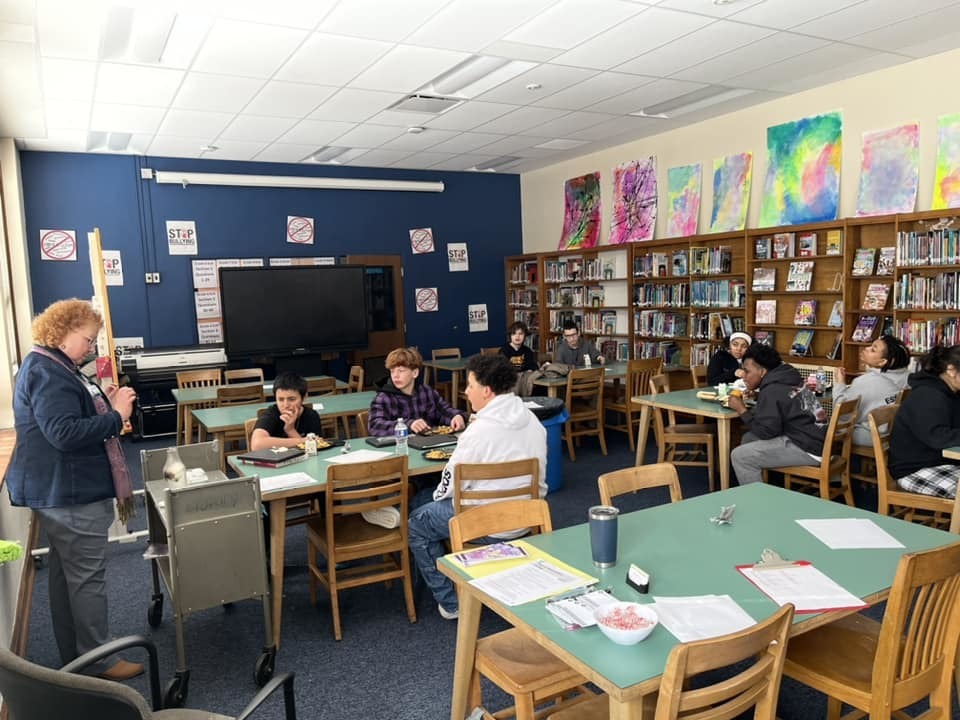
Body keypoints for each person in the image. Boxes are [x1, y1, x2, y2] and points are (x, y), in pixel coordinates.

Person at [5, 299, 142, 680]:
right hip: (69, 492)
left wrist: (103, 401)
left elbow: (68, 416)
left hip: (59, 491)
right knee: (86, 579)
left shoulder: (52, 364)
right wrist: (116, 416)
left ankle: (76, 657)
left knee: (68, 578)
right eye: (89, 340)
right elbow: (64, 433)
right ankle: (99, 660)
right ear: (62, 334)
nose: (92, 348)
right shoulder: (48, 372)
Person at [407, 354, 547, 620]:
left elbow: (450, 486)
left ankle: (451, 603)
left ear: (486, 390)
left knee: (416, 522)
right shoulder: (533, 422)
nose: (465, 391)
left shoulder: (478, 431)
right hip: (526, 517)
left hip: (484, 522)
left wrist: (436, 498)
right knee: (424, 501)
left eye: (469, 385)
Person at [728, 344, 827, 485]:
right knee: (749, 438)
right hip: (815, 439)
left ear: (762, 372)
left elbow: (765, 432)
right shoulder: (788, 377)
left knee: (739, 456)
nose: (744, 376)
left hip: (807, 448)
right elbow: (784, 402)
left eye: (747, 371)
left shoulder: (772, 390)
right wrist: (759, 396)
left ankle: (756, 502)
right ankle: (769, 485)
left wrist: (742, 410)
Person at [888, 345, 960, 497]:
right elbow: (938, 437)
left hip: (940, 461)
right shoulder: (928, 395)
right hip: (915, 468)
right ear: (952, 370)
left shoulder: (951, 391)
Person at [367, 347, 466, 436]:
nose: (395, 375)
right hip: (400, 448)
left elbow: (443, 411)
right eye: (392, 371)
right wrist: (408, 425)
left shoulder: (427, 392)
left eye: (401, 371)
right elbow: (374, 425)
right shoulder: (384, 398)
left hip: (428, 445)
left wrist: (456, 416)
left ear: (415, 373)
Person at [833, 335, 911, 446]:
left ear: (882, 362)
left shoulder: (867, 381)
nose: (866, 348)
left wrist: (840, 383)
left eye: (873, 349)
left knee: (827, 429)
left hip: (872, 435)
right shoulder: (907, 376)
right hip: (894, 433)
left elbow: (842, 414)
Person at [250, 372, 323, 450]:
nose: (286, 405)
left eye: (292, 399)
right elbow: (257, 444)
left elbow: (313, 449)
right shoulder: (271, 414)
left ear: (304, 397)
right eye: (281, 400)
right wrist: (304, 440)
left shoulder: (311, 416)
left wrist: (290, 430)